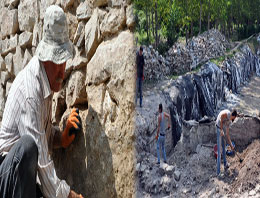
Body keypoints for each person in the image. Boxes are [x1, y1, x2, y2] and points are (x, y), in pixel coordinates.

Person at [0, 5, 84, 198]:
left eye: (64, 61)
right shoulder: (31, 90)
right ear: (45, 57)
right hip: (5, 179)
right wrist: (70, 196)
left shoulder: (46, 79)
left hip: (21, 179)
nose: (62, 71)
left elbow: (39, 132)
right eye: (57, 61)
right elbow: (39, 161)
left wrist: (60, 138)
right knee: (28, 147)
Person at [215, 109, 238, 177]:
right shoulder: (227, 114)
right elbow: (222, 116)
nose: (234, 119)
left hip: (222, 130)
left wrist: (231, 146)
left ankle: (225, 164)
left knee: (224, 146)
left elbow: (227, 135)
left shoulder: (229, 122)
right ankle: (218, 173)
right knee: (219, 152)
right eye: (234, 117)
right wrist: (221, 130)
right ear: (233, 115)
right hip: (218, 128)